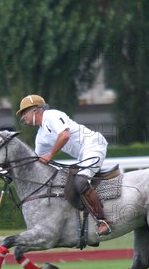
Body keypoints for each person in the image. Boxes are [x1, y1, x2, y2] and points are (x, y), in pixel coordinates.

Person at [16, 94, 112, 236]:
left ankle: (102, 220)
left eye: (24, 112)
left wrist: (50, 155)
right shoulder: (40, 136)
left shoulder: (52, 115)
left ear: (35, 109)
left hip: (94, 145)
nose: (23, 117)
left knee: (80, 181)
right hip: (83, 156)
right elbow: (37, 162)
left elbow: (64, 135)